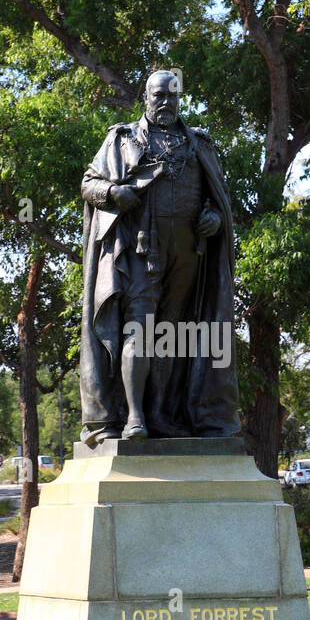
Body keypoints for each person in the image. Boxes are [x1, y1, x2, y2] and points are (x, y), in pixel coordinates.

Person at [79, 70, 241, 444]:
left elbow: (217, 202)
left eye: (172, 96)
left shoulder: (198, 143)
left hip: (188, 254)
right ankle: (134, 418)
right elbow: (89, 183)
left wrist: (214, 219)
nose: (165, 103)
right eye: (158, 96)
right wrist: (115, 194)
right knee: (139, 327)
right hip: (140, 250)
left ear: (180, 98)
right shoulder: (121, 140)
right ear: (146, 99)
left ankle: (161, 415)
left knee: (170, 334)